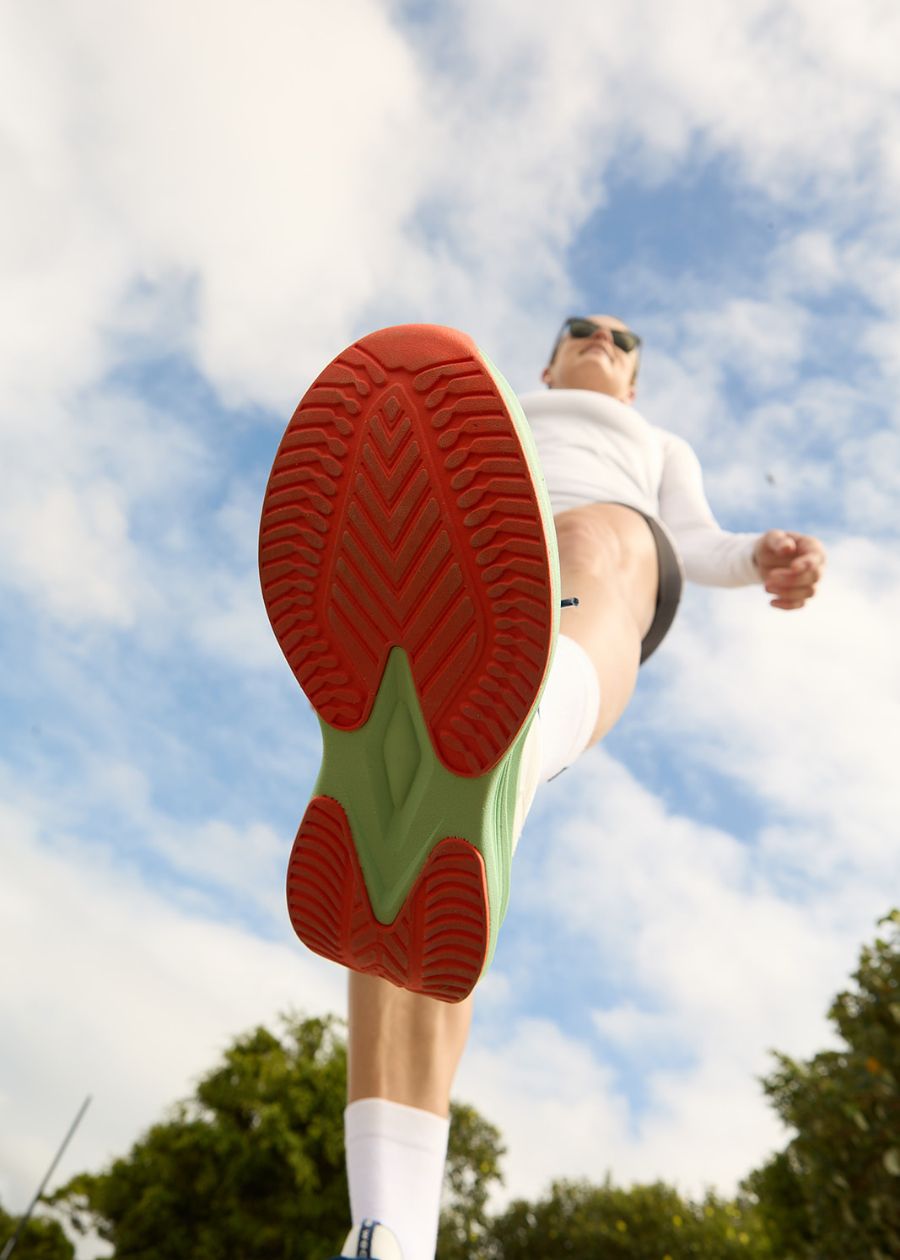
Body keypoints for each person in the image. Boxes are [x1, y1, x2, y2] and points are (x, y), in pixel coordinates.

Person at [258, 317, 826, 1260]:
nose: (603, 339)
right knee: (398, 863)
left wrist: (762, 557)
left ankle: (523, 729)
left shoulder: (653, 444)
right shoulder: (502, 411)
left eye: (622, 339)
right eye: (582, 331)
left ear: (634, 384)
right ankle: (387, 1228)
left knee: (597, 541)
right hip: (465, 600)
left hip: (602, 570)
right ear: (548, 361)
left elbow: (699, 538)